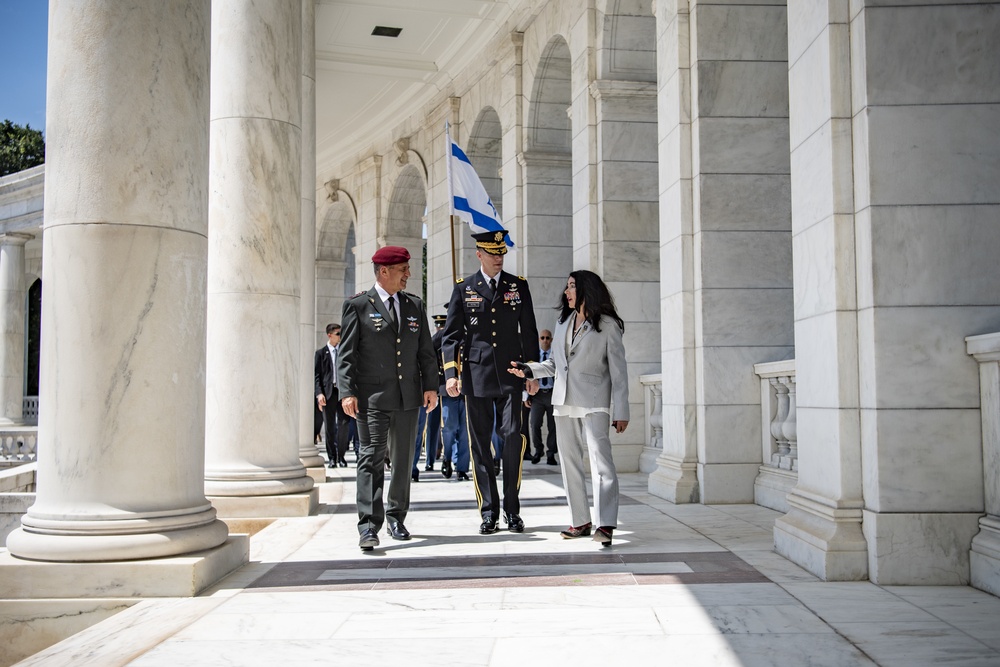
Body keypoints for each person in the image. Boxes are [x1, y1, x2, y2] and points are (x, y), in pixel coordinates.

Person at [508, 270, 629, 547]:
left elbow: (619, 372)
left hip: (595, 400)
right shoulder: (562, 322)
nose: (566, 292)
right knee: (569, 462)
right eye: (567, 287)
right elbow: (554, 364)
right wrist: (529, 370)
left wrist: (621, 410)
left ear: (587, 289)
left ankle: (606, 523)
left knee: (602, 462)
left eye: (571, 286)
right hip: (563, 400)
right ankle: (581, 521)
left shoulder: (608, 325)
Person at [338, 246, 439, 551]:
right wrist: (347, 391)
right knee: (370, 460)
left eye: (408, 269)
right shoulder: (358, 306)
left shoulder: (414, 306)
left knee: (404, 460)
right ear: (384, 271)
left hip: (408, 397)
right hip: (371, 398)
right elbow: (347, 356)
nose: (408, 274)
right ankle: (369, 525)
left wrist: (430, 386)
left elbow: (425, 351)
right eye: (403, 269)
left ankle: (397, 516)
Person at [442, 228, 539, 535]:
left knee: (512, 437)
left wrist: (532, 372)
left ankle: (512, 509)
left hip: (512, 375)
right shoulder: (464, 288)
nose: (498, 259)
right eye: (493, 254)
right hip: (476, 376)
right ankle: (489, 511)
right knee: (480, 445)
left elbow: (530, 331)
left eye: (501, 254)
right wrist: (450, 374)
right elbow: (451, 337)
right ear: (479, 254)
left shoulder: (518, 286)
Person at [410, 314, 446, 481]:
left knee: (418, 432)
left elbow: (430, 361)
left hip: (420, 390)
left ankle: (412, 467)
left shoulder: (427, 341)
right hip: (399, 391)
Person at [315, 323, 350, 468]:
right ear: (329, 335)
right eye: (338, 334)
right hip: (328, 394)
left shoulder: (345, 352)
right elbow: (317, 376)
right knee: (330, 428)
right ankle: (332, 458)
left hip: (342, 393)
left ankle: (341, 456)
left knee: (344, 425)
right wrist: (319, 394)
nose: (340, 337)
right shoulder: (321, 353)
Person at [528, 329, 558, 465]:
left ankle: (551, 453)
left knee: (553, 426)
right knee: (534, 424)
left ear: (551, 340)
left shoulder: (555, 356)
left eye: (547, 338)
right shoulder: (533, 356)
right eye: (542, 338)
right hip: (538, 395)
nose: (545, 340)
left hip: (552, 394)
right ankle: (538, 450)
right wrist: (526, 395)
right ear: (539, 340)